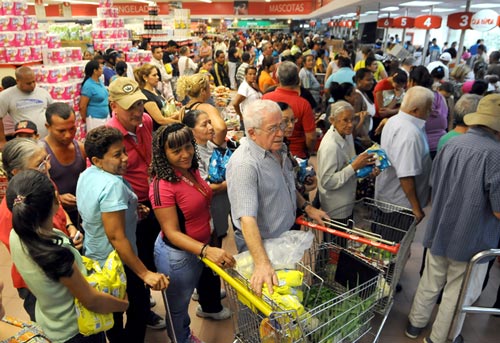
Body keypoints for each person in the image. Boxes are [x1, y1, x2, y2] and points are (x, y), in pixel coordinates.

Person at [405, 94, 500, 343]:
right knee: (458, 291)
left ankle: (415, 324)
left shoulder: (451, 143)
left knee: (431, 280)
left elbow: (436, 182)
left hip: (440, 226)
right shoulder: (496, 155)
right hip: (472, 237)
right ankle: (439, 338)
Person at [8, 169, 128, 343]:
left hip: (50, 322)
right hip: (77, 330)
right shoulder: (58, 253)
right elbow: (91, 300)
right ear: (56, 200)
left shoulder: (16, 235)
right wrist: (123, 304)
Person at [77, 126, 169, 342]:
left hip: (95, 255)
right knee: (137, 306)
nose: (126, 158)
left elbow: (96, 210)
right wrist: (144, 273)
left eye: (124, 151)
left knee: (113, 313)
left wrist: (131, 209)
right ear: (97, 160)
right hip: (118, 262)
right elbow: (116, 237)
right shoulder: (112, 186)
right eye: (117, 155)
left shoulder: (87, 174)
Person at [226, 100, 327, 296]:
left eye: (282, 125)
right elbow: (247, 220)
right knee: (265, 299)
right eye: (273, 128)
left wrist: (306, 206)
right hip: (261, 245)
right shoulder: (245, 164)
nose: (281, 132)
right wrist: (262, 263)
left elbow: (285, 184)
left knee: (285, 295)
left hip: (282, 240)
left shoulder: (277, 149)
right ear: (252, 132)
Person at [150, 123, 235, 343]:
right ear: (163, 154)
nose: (185, 154)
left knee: (188, 295)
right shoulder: (162, 186)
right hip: (177, 257)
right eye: (176, 151)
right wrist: (206, 251)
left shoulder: (191, 169)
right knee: (178, 309)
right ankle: (182, 338)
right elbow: (171, 232)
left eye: (188, 147)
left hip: (200, 248)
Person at [105, 77, 167, 332]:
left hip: (152, 202)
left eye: (140, 104)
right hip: (130, 211)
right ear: (113, 106)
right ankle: (140, 309)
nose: (137, 111)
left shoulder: (147, 122)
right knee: (134, 265)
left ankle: (144, 302)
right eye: (130, 106)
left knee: (150, 255)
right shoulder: (109, 136)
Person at [0, 138, 82, 321]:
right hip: (40, 281)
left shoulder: (43, 182)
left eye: (47, 160)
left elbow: (58, 207)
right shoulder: (9, 213)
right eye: (39, 164)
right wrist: (64, 253)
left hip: (62, 262)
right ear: (17, 172)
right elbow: (32, 254)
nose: (48, 168)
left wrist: (69, 226)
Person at [374, 86, 434, 224]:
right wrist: (416, 207)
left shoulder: (395, 120)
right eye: (429, 108)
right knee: (397, 243)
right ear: (415, 111)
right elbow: (406, 175)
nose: (431, 111)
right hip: (400, 205)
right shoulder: (409, 134)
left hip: (391, 197)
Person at [317, 101, 377, 221]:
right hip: (336, 206)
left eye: (352, 119)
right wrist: (354, 167)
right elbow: (327, 182)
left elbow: (351, 161)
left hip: (347, 199)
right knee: (335, 238)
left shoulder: (346, 134)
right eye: (345, 120)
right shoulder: (330, 146)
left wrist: (365, 169)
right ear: (332, 120)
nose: (350, 125)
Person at [41, 102, 86, 227]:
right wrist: (57, 199)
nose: (68, 135)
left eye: (72, 129)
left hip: (80, 217)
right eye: (61, 131)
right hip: (53, 220)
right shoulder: (40, 154)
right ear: (47, 127)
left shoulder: (81, 149)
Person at [262, 61, 316, 159]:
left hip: (269, 152)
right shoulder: (303, 104)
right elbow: (311, 137)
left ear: (278, 78)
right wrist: (308, 151)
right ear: (297, 79)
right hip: (296, 155)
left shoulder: (265, 98)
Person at [0, 66, 53, 147]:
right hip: (25, 142)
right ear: (18, 81)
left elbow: (52, 112)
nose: (32, 85)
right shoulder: (6, 95)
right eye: (28, 83)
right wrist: (2, 141)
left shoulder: (43, 92)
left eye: (34, 81)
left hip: (46, 140)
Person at [177, 73, 227, 146]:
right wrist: (215, 146)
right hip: (206, 153)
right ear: (203, 91)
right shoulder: (206, 108)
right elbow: (220, 129)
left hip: (192, 149)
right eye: (209, 87)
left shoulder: (182, 110)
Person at [409, 66, 448, 159]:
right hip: (441, 143)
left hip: (422, 145)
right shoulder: (440, 97)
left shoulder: (417, 98)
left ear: (413, 82)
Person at [134, 63, 179, 131]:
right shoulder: (145, 95)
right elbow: (160, 120)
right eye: (154, 75)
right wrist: (181, 122)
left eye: (157, 74)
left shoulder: (156, 91)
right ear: (145, 77)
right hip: (157, 133)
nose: (157, 77)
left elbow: (165, 109)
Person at [80, 60, 110, 131]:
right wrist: (85, 119)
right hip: (94, 119)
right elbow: (82, 106)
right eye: (100, 68)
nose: (102, 69)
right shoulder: (88, 85)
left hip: (105, 117)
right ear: (95, 71)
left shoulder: (99, 81)